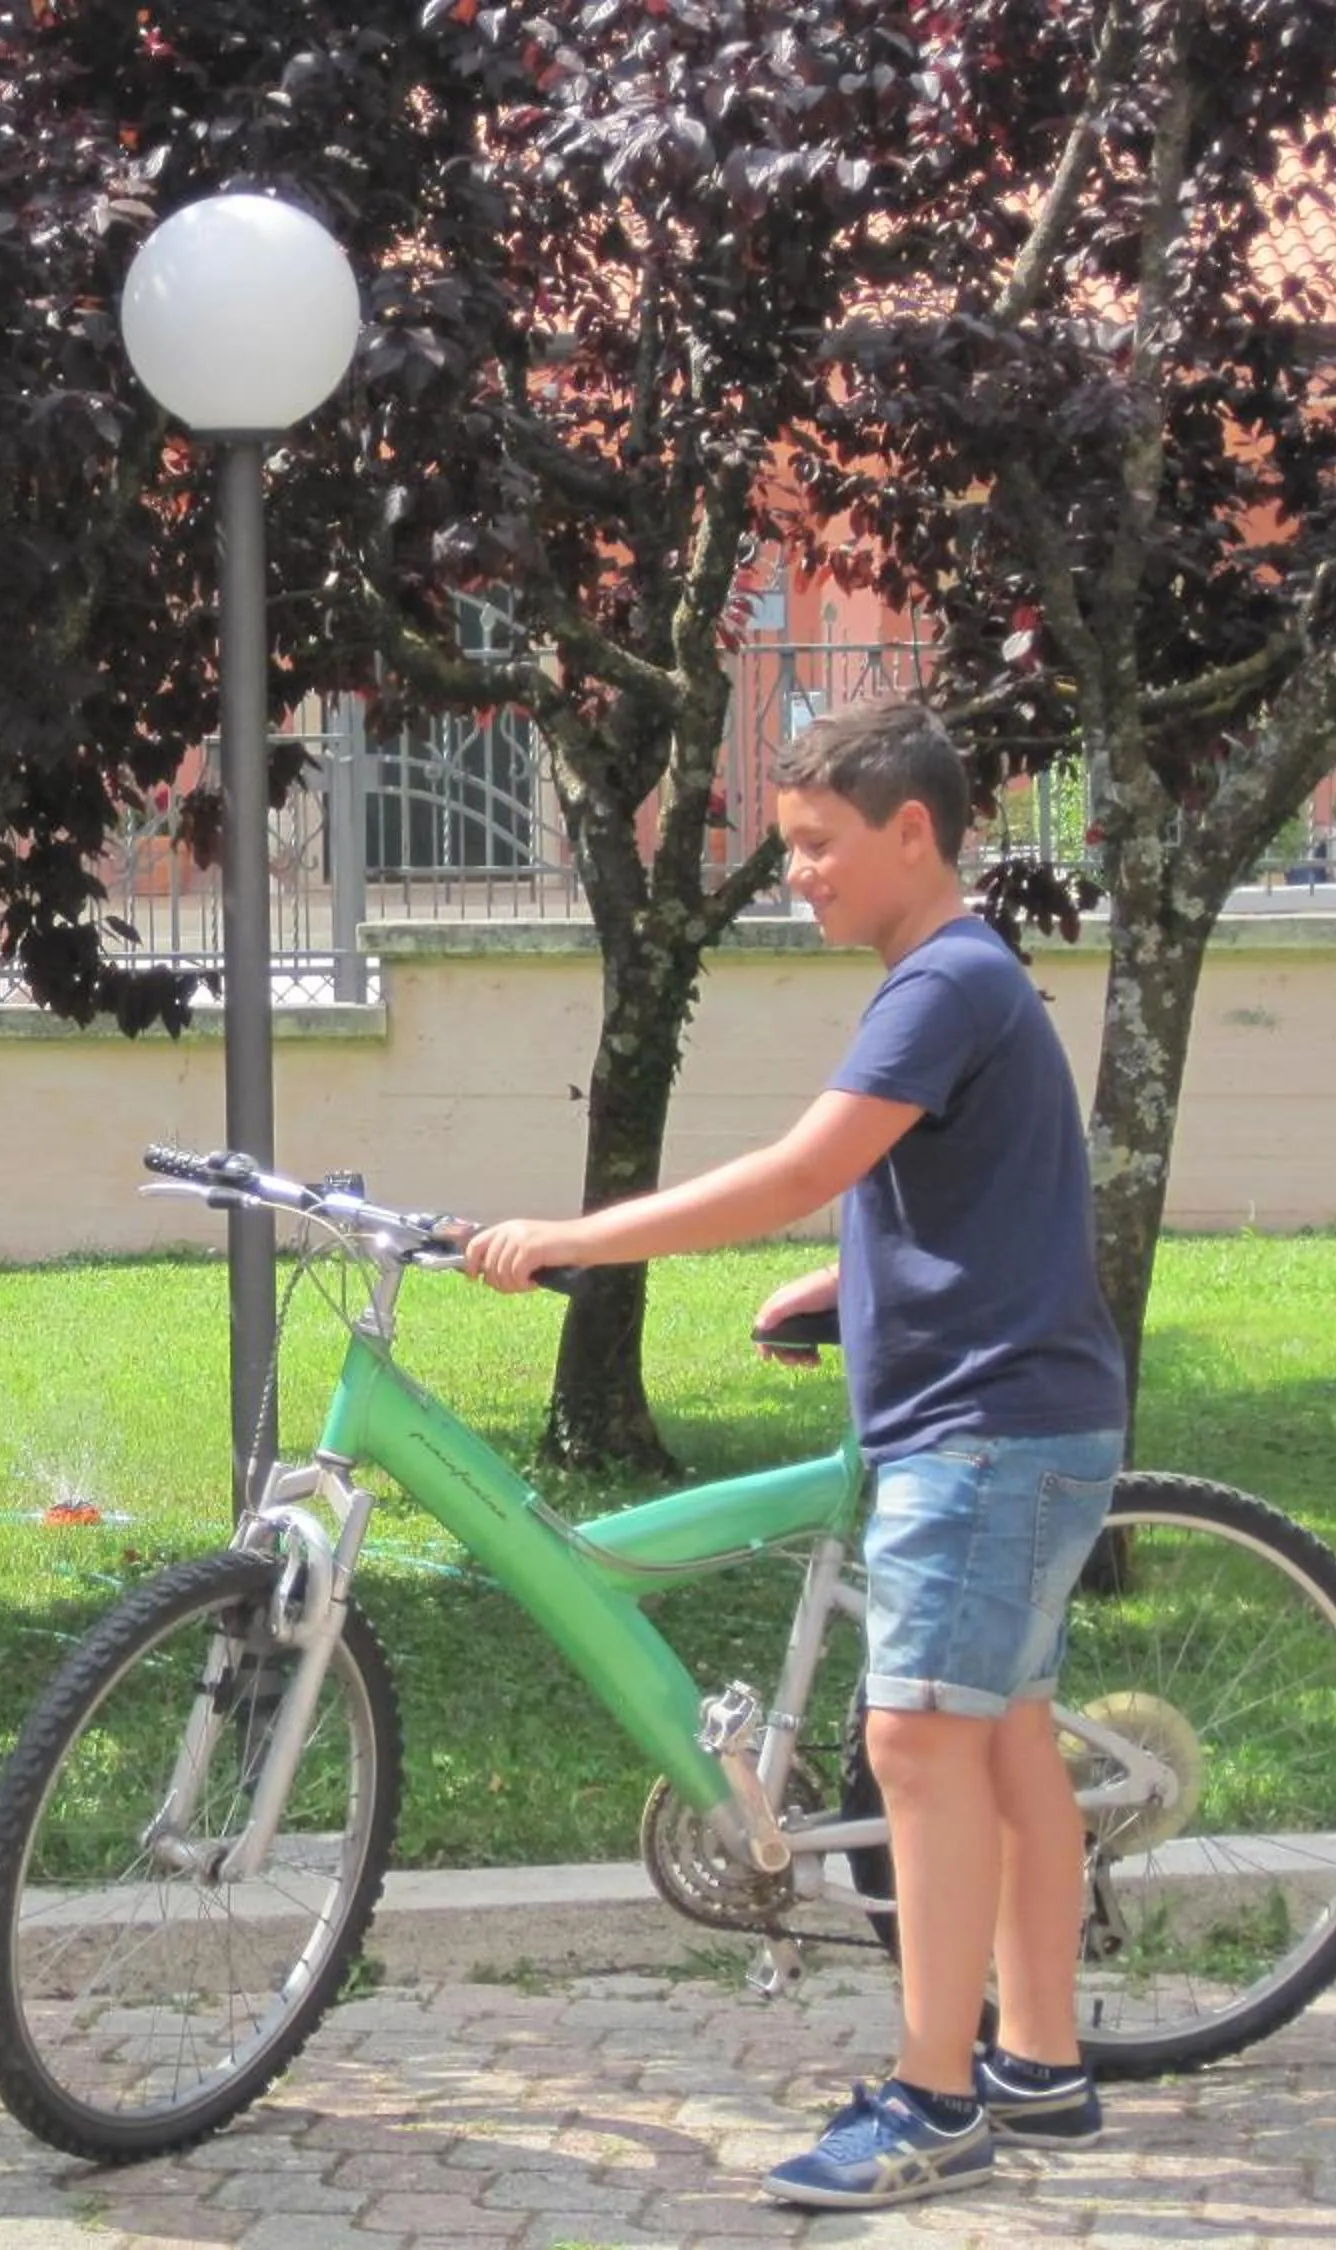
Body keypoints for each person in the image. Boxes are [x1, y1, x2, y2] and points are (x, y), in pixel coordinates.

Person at [464, 699, 1125, 2212]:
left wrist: (575, 1237)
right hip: (1019, 1407)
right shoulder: (964, 980)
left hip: (986, 1430)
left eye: (821, 847)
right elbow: (977, 1184)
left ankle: (935, 2099)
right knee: (1006, 1732)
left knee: (918, 1744)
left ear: (914, 830)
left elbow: (800, 1171)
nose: (798, 875)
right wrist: (861, 1279)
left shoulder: (939, 984)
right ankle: (1038, 2060)